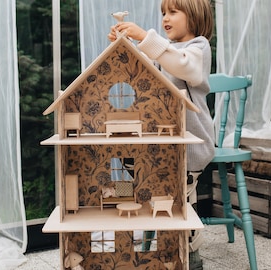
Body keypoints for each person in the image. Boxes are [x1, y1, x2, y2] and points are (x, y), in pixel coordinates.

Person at [109, 0, 215, 268]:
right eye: (163, 13)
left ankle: (191, 255)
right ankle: (136, 240)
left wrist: (144, 37)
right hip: (160, 145)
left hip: (190, 148)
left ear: (194, 16)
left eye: (173, 12)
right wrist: (125, 45)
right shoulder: (163, 52)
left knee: (182, 204)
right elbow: (144, 71)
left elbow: (182, 66)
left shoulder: (198, 48)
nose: (166, 18)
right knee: (135, 175)